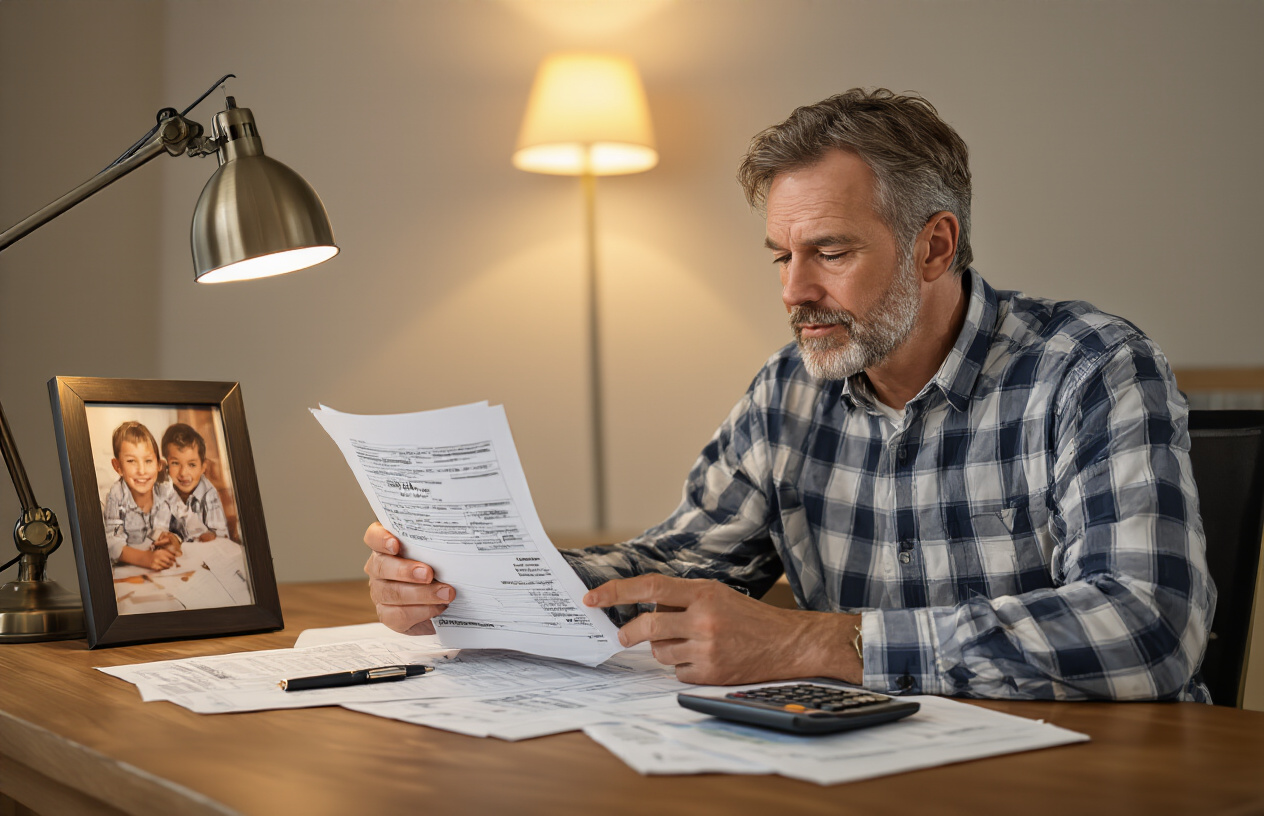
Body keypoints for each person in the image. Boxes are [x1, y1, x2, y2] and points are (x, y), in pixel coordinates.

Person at [361, 88, 1216, 702]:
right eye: (781, 255)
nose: (792, 292)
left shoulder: (1091, 368)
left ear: (934, 246)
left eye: (831, 253)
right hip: (868, 770)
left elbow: (1149, 626)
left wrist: (812, 641)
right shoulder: (788, 392)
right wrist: (469, 585)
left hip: (1086, 782)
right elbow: (685, 563)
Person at [104, 421, 209, 569]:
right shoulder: (116, 495)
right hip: (131, 572)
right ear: (118, 467)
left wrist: (176, 539)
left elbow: (188, 522)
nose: (142, 470)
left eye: (148, 461)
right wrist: (145, 559)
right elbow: (111, 543)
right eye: (131, 461)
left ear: (159, 465)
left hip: (164, 570)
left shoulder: (166, 492)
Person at [162, 423, 230, 541]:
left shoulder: (208, 493)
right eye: (175, 463)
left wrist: (211, 536)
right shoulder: (164, 490)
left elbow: (221, 535)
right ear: (166, 464)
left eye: (192, 465)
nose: (183, 473)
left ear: (203, 467)